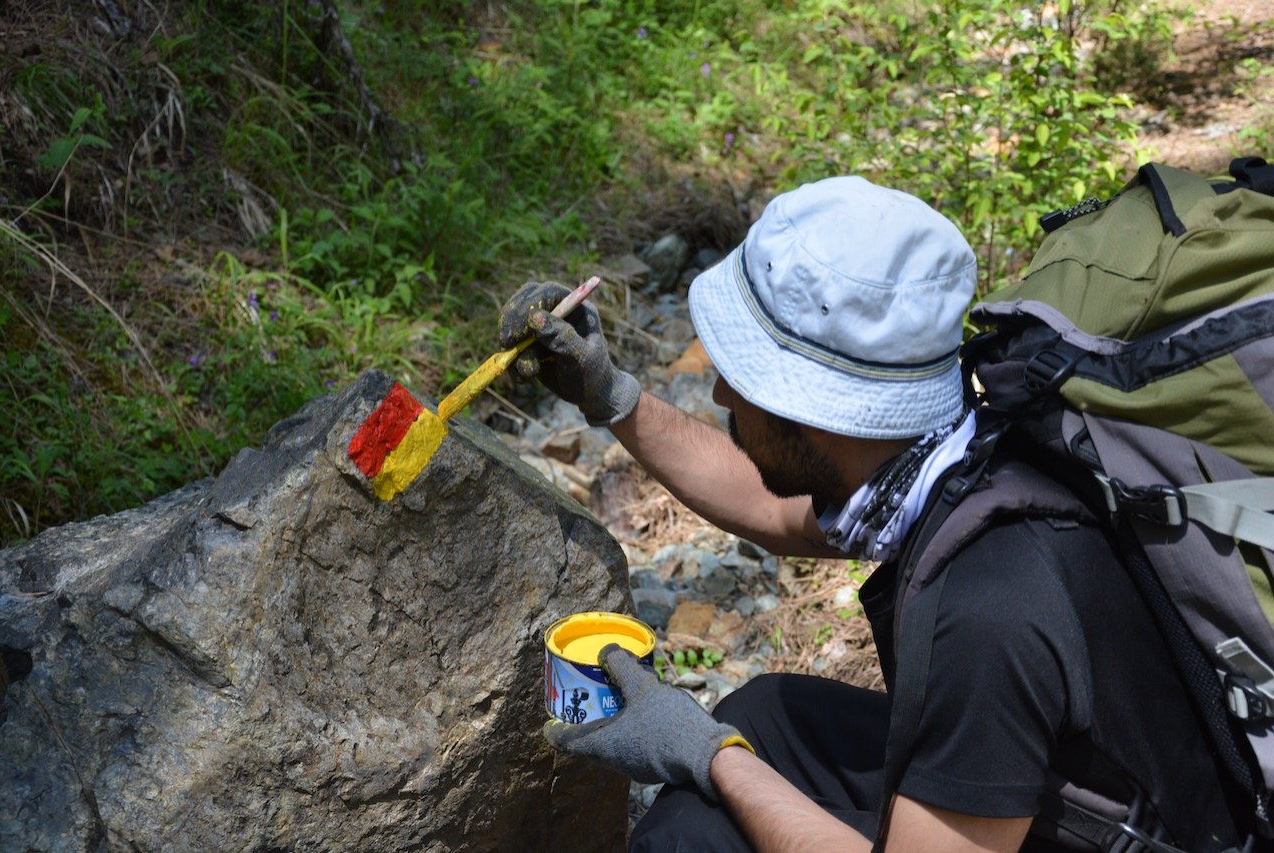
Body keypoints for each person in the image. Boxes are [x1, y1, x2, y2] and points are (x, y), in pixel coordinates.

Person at [498, 176, 1242, 851]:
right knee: (769, 716)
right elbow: (772, 503)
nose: (720, 395)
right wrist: (611, 395)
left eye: (744, 379)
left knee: (696, 832)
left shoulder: (989, 607)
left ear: (816, 410)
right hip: (1108, 783)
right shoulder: (974, 450)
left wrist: (708, 754)